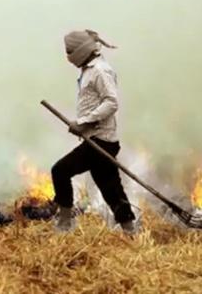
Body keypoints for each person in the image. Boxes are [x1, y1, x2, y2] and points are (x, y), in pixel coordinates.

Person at [51, 29, 137, 234]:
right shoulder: (88, 70)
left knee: (60, 171)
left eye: (69, 51)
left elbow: (112, 102)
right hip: (97, 139)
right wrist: (83, 125)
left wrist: (84, 122)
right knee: (110, 188)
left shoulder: (100, 71)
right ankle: (130, 230)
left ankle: (65, 222)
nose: (68, 56)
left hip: (101, 141)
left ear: (80, 50)